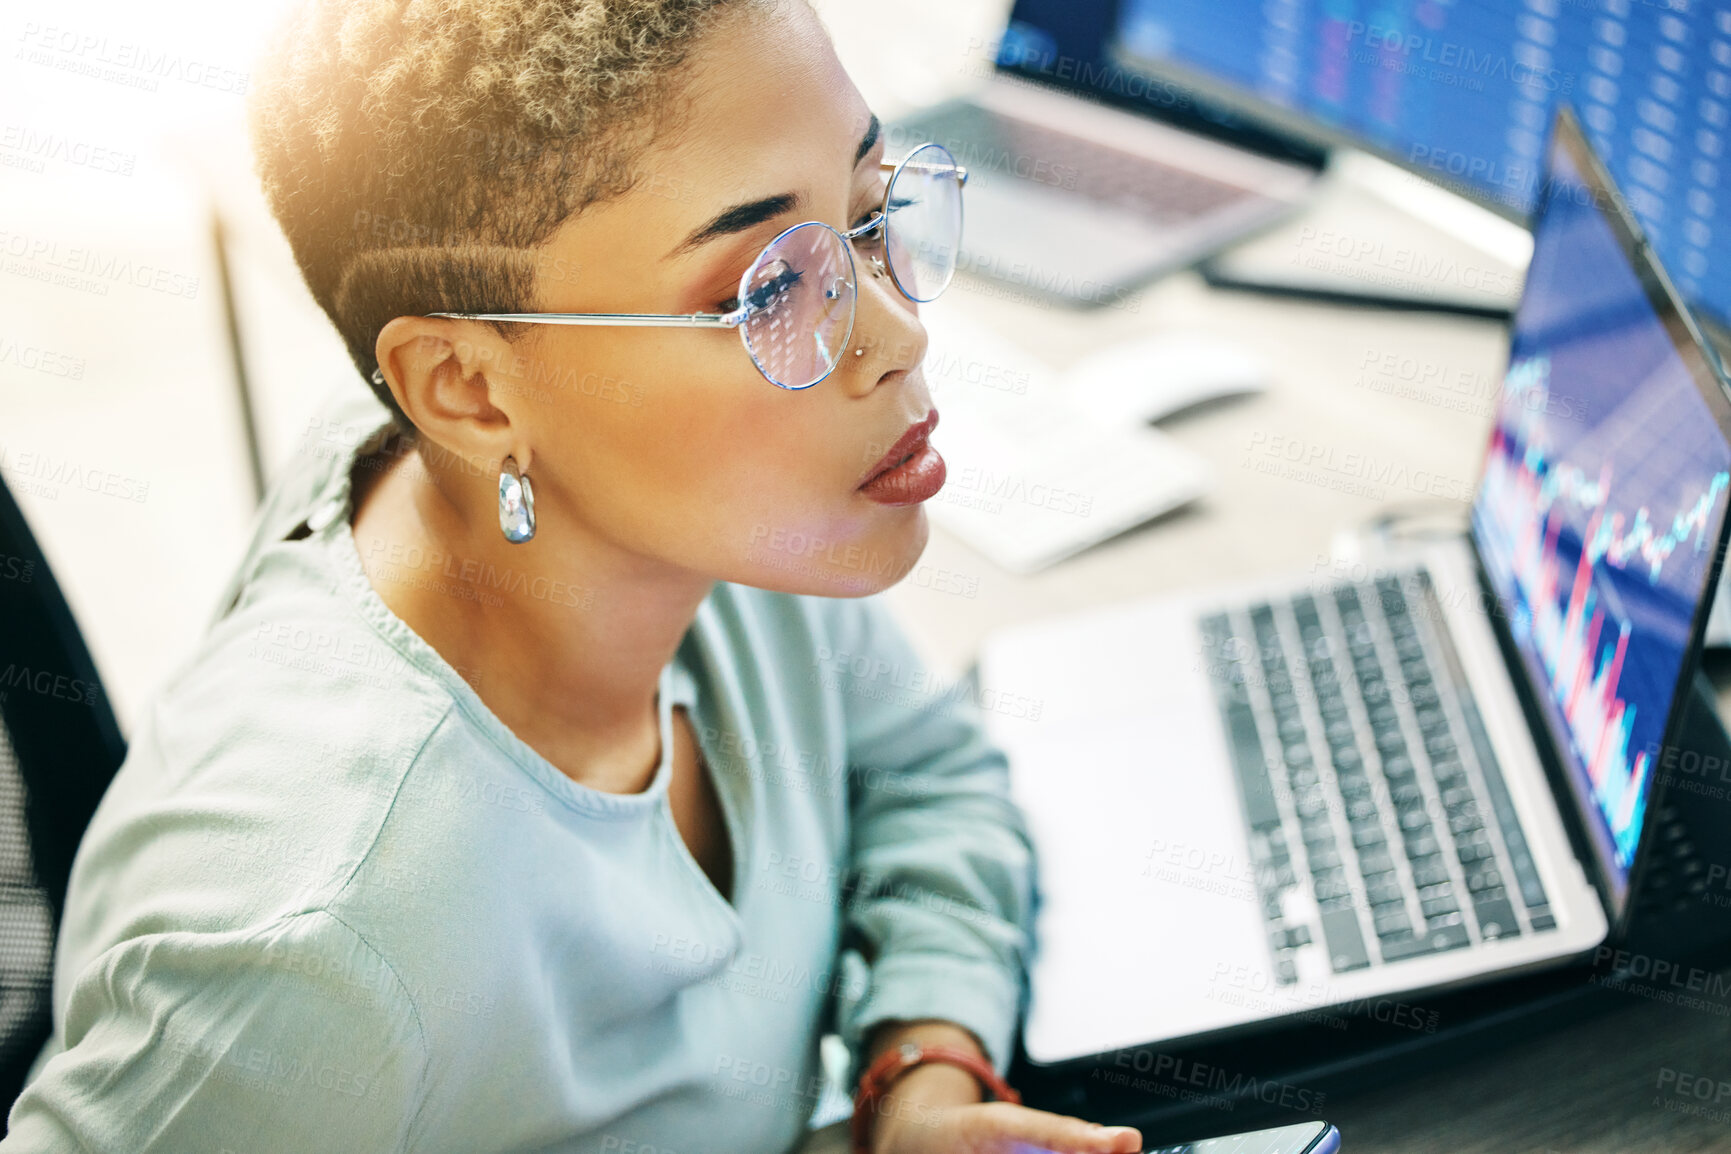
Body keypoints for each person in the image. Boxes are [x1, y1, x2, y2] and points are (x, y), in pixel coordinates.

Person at [0, 2, 1146, 1152]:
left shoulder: (679, 514)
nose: (898, 331)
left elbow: (922, 766)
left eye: (863, 213)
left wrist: (920, 1073)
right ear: (467, 389)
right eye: (765, 292)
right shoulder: (309, 946)